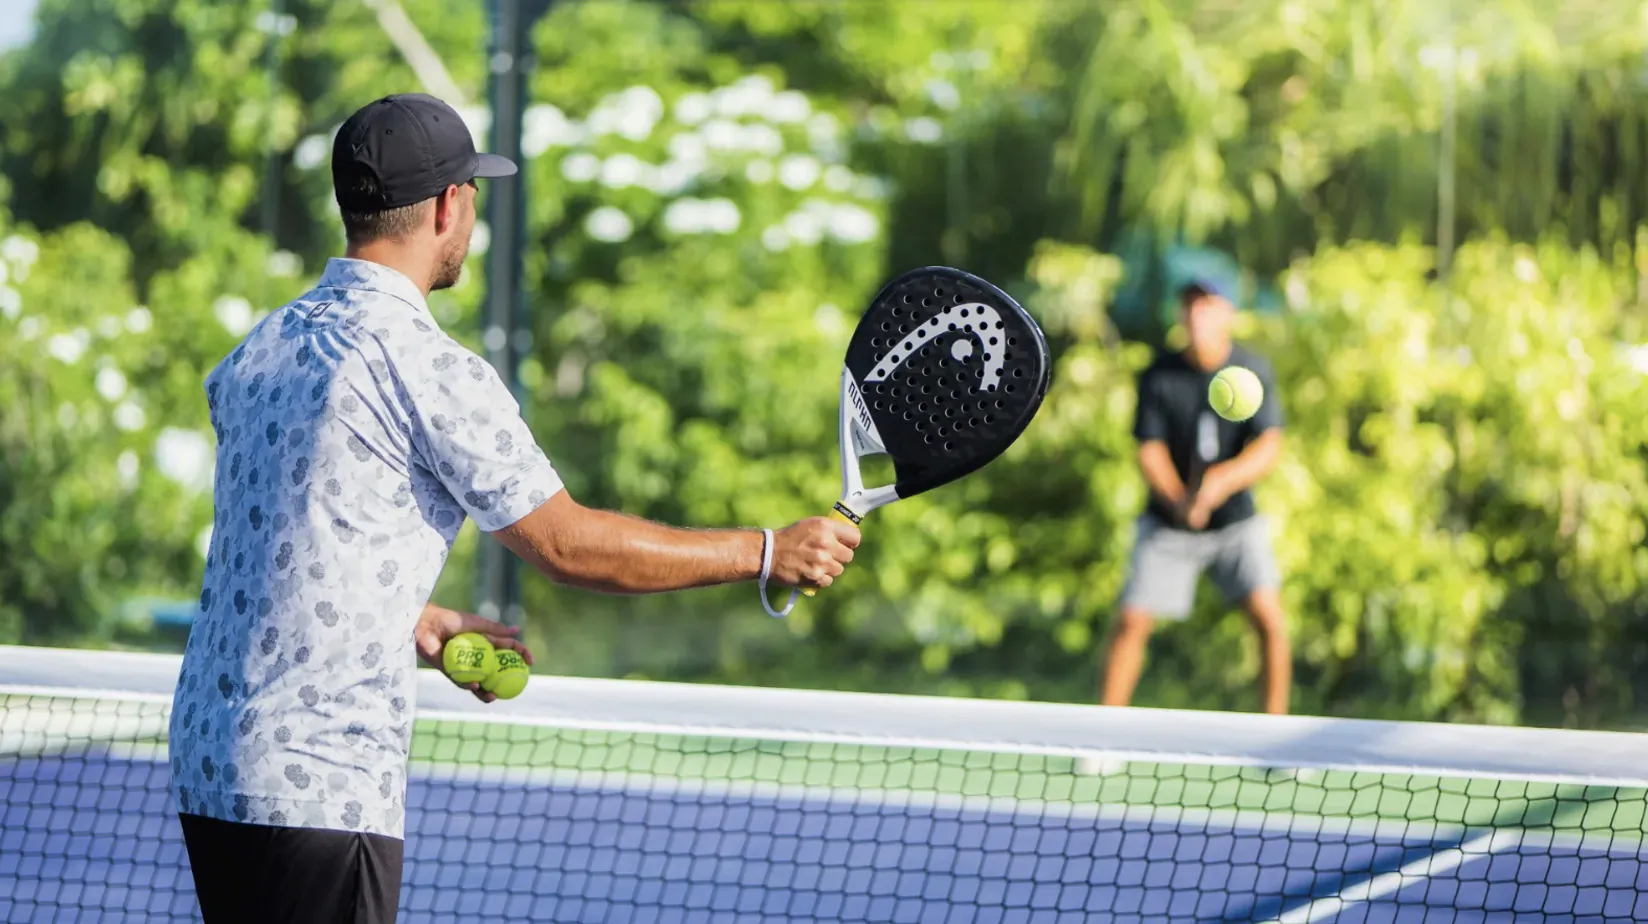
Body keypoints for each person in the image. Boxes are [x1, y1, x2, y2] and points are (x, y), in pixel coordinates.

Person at [166, 93, 860, 924]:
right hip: (323, 781)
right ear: (449, 204)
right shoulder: (426, 365)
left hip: (215, 759)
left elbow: (283, 530)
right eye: (472, 198)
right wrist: (765, 551)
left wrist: (407, 617)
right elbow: (567, 546)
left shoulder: (261, 348)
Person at [1097, 278, 1290, 716]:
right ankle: (1102, 737)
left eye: (1205, 305)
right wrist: (1181, 500)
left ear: (1227, 314)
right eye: (1188, 306)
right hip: (1167, 523)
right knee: (1131, 621)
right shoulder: (1159, 374)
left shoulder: (1252, 370)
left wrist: (1220, 482)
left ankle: (1276, 733)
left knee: (1270, 619)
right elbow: (1149, 449)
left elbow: (1268, 446)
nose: (1195, 315)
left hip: (1236, 523)